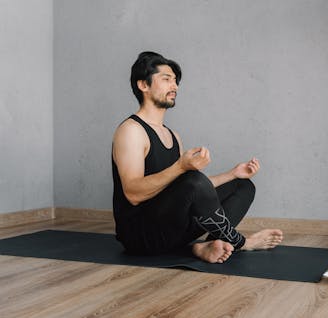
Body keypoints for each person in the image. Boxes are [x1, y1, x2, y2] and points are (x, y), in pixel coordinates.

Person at [112, 51, 283, 263]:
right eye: (166, 79)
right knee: (194, 179)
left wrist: (232, 174)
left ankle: (213, 244)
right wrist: (182, 167)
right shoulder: (131, 130)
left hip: (170, 229)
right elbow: (133, 193)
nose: (174, 86)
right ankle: (241, 243)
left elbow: (192, 191)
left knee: (242, 185)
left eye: (175, 81)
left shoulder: (172, 135)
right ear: (143, 85)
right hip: (141, 237)